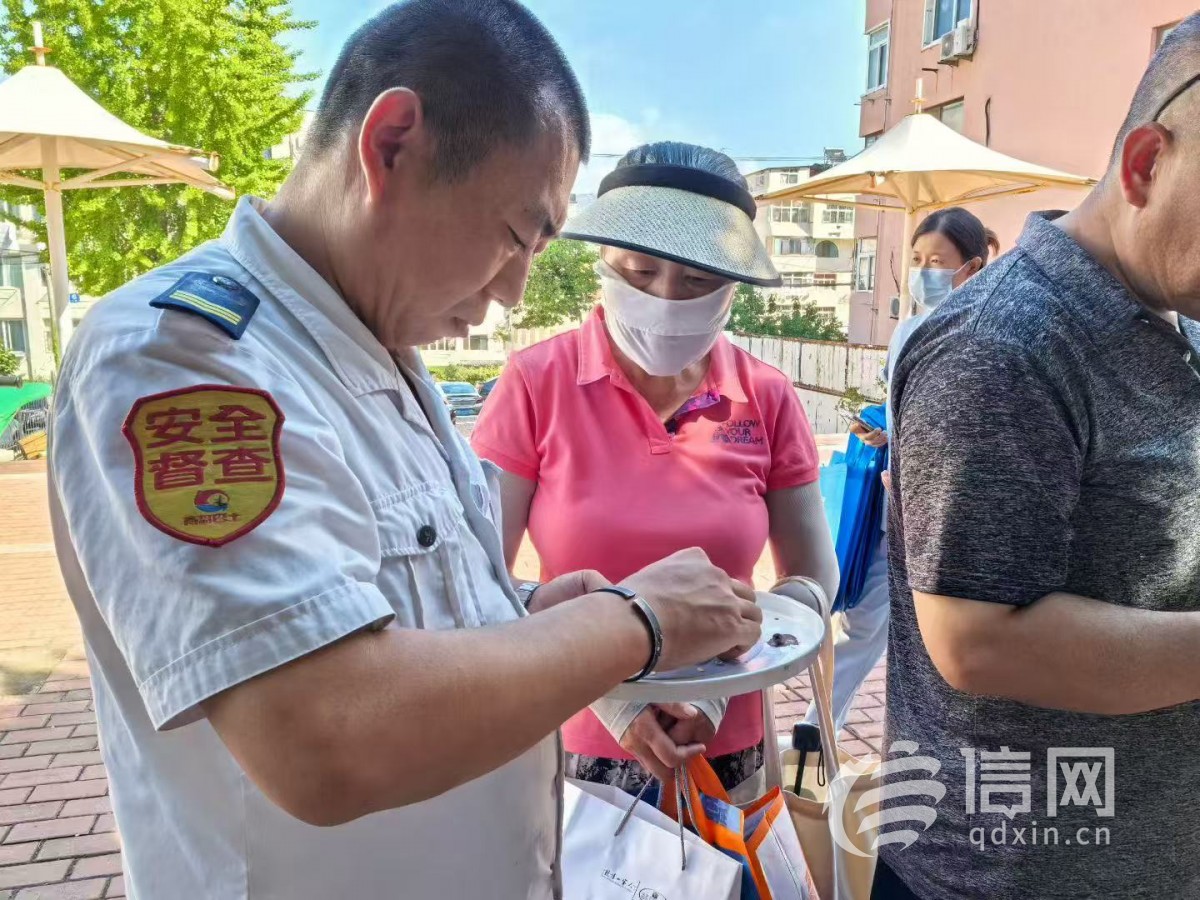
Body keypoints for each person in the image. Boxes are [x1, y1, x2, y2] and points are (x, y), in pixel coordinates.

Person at [45, 4, 764, 898]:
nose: (514, 291)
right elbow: (320, 732)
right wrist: (634, 623)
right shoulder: (188, 360)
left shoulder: (377, 352)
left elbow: (378, 602)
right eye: (516, 235)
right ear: (391, 145)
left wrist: (526, 611)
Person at [875, 15, 1200, 899]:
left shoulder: (1177, 316)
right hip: (1004, 871)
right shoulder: (1003, 344)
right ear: (1145, 165)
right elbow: (979, 641)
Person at [472, 141, 839, 801]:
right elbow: (477, 578)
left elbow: (814, 579)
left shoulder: (766, 395)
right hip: (573, 745)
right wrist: (612, 694)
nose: (667, 299)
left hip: (729, 748)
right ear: (604, 265)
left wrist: (716, 691)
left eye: (697, 282)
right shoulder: (535, 383)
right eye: (640, 273)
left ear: (732, 288)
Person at [806, 208, 996, 732]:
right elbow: (907, 411)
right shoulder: (907, 331)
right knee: (861, 626)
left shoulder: (988, 337)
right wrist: (885, 432)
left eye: (937, 261)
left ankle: (924, 746)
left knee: (942, 646)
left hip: (949, 518)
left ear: (972, 268)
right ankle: (813, 735)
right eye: (917, 259)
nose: (923, 272)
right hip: (894, 505)